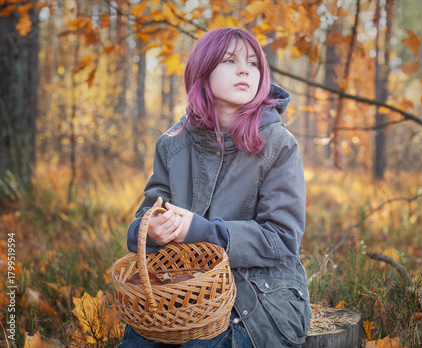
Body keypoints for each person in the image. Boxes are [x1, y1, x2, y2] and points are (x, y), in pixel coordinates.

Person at [119, 27, 311, 348]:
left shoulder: (279, 144)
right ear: (203, 72)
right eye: (229, 60)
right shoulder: (173, 144)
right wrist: (152, 230)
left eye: (253, 63)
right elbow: (145, 219)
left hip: (258, 295)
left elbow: (283, 238)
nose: (243, 70)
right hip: (183, 292)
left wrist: (206, 232)